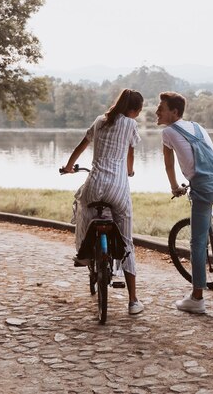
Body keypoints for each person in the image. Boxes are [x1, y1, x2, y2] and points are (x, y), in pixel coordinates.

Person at [156, 91, 213, 314]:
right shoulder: (198, 126)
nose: (157, 111)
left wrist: (175, 187)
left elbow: (169, 165)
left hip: (204, 187)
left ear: (174, 113)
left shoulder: (167, 132)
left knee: (198, 241)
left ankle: (197, 298)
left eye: (161, 108)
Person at [61, 88, 144, 315]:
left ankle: (85, 255)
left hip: (95, 185)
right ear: (133, 110)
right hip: (118, 189)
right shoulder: (130, 125)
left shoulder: (100, 121)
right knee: (127, 242)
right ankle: (133, 301)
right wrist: (129, 171)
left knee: (83, 210)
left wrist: (69, 167)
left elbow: (81, 145)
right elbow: (130, 154)